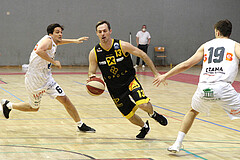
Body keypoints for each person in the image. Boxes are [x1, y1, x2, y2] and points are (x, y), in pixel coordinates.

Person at [153, 19, 240, 152]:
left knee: (192, 111)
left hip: (203, 88)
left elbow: (186, 64)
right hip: (223, 88)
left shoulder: (206, 45)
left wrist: (165, 75)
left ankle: (177, 143)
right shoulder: (235, 45)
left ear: (217, 32)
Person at [0, 23, 96, 133]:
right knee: (34, 108)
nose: (60, 34)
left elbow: (59, 42)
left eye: (61, 32)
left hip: (47, 78)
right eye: (57, 32)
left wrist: (75, 40)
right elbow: (39, 51)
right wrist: (53, 62)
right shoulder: (48, 40)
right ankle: (8, 105)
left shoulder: (53, 41)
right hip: (35, 80)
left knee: (65, 100)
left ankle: (80, 124)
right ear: (51, 34)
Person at [88, 20, 168, 139]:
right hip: (114, 88)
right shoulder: (94, 53)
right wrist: (92, 78)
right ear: (97, 34)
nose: (103, 33)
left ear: (110, 31)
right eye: (100, 32)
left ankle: (153, 114)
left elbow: (143, 55)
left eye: (105, 31)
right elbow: (91, 72)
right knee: (129, 115)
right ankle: (144, 127)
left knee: (143, 104)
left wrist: (156, 73)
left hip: (129, 81)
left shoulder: (122, 45)